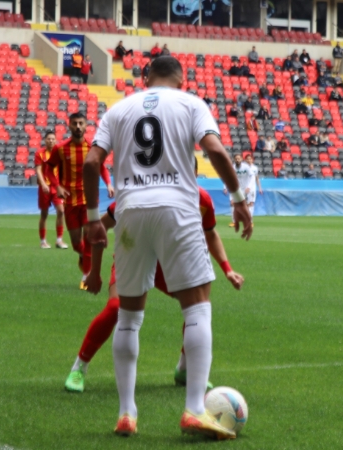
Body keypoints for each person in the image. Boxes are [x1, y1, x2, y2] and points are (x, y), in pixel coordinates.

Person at [82, 55, 252, 439]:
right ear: (182, 78)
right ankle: (194, 409)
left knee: (128, 317)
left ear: (145, 77)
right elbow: (217, 153)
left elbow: (92, 163)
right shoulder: (191, 103)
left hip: (130, 213)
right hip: (178, 209)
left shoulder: (118, 109)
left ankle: (127, 412)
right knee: (197, 308)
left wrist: (94, 218)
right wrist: (238, 198)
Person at [64, 161, 244, 393]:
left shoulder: (202, 200)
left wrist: (227, 268)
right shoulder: (142, 194)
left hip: (167, 264)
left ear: (196, 174)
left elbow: (210, 234)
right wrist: (94, 272)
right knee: (115, 308)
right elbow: (98, 228)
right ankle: (79, 367)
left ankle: (184, 368)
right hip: (132, 257)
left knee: (198, 308)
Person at [45, 113, 114, 289]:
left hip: (88, 201)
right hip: (70, 202)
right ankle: (84, 258)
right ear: (69, 125)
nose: (77, 126)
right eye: (74, 123)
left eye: (81, 123)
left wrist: (109, 184)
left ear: (86, 126)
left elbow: (102, 167)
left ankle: (87, 275)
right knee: (76, 244)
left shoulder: (92, 148)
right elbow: (49, 168)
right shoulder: (60, 149)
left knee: (90, 238)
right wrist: (57, 186)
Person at [34, 132, 68, 249]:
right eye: (49, 139)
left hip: (56, 187)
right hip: (44, 188)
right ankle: (43, 241)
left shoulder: (59, 153)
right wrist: (43, 184)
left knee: (61, 211)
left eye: (53, 139)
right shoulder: (40, 153)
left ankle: (59, 240)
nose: (51, 141)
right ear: (45, 140)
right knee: (44, 214)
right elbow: (38, 170)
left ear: (56, 140)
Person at [225, 153, 251, 228]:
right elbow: (227, 177)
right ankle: (234, 222)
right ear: (234, 159)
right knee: (232, 203)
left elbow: (251, 177)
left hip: (244, 188)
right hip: (234, 188)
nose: (237, 160)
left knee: (245, 205)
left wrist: (249, 186)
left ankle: (247, 221)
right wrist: (225, 187)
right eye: (236, 158)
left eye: (239, 158)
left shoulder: (246, 167)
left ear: (242, 159)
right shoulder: (232, 168)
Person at [244, 154, 263, 220]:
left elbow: (256, 178)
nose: (249, 160)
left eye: (250, 159)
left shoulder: (255, 168)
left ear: (252, 160)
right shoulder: (243, 168)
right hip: (244, 188)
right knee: (245, 204)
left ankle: (250, 219)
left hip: (252, 188)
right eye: (247, 159)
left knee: (251, 203)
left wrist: (260, 188)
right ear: (245, 160)